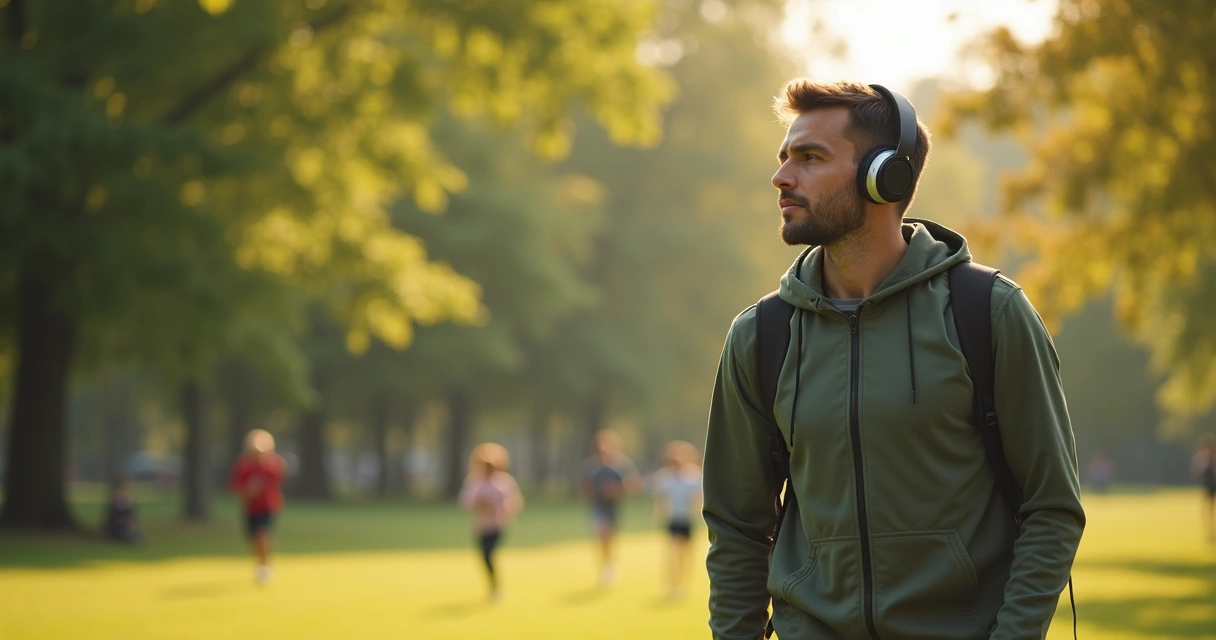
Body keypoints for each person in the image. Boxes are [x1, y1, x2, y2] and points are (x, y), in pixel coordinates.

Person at [702, 80, 1085, 640]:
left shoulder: (990, 313)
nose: (782, 177)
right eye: (785, 157)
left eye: (810, 158)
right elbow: (737, 526)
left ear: (886, 175)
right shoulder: (761, 336)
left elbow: (1052, 508)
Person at [458, 442, 524, 602]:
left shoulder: (504, 482)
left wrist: (501, 506)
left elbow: (515, 502)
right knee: (484, 557)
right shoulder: (475, 482)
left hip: (498, 524)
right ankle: (493, 586)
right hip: (481, 525)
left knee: (489, 553)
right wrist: (479, 503)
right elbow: (465, 503)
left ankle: (495, 588)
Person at [580, 429, 642, 587]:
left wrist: (616, 490)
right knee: (601, 534)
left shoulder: (622, 464)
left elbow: (634, 484)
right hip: (598, 507)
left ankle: (610, 564)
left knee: (610, 537)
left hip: (615, 507)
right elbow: (584, 487)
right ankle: (605, 566)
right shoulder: (591, 465)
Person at [228, 429, 286, 584]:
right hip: (250, 507)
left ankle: (265, 566)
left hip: (267, 506)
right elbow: (235, 487)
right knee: (253, 538)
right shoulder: (243, 465)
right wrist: (248, 489)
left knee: (263, 535)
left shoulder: (272, 464)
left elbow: (278, 475)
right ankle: (260, 564)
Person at [651, 440, 703, 599]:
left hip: (687, 520)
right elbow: (661, 500)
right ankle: (673, 584)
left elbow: (698, 498)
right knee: (673, 553)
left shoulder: (693, 476)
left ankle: (682, 585)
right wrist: (659, 516)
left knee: (685, 554)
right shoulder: (665, 479)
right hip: (674, 519)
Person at [1191, 434, 1216, 542]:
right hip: (1208, 486)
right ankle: (1209, 528)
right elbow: (1196, 471)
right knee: (1208, 508)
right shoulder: (1201, 457)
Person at [103, 477, 142, 543]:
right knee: (129, 535)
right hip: (117, 527)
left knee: (135, 534)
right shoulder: (115, 501)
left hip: (126, 526)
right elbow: (113, 518)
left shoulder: (127, 500)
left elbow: (131, 515)